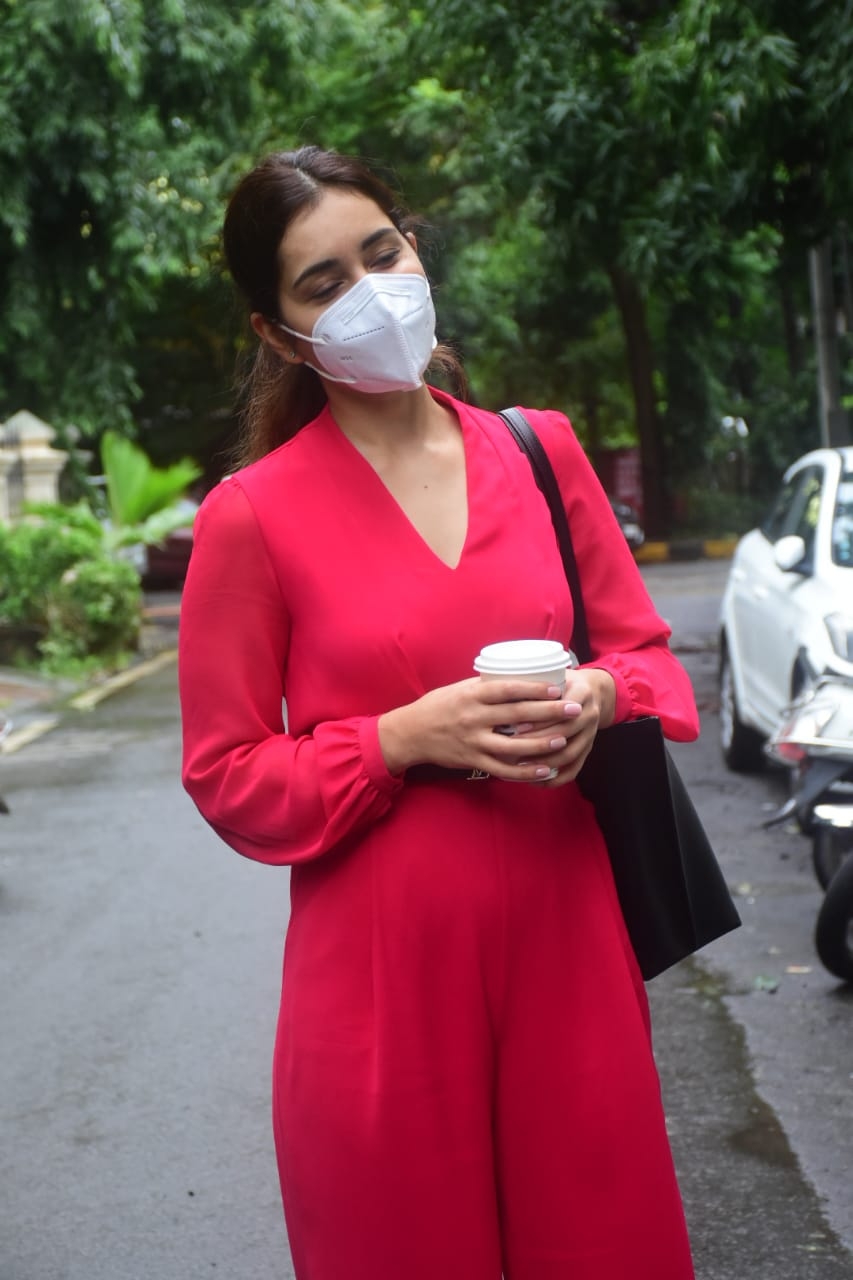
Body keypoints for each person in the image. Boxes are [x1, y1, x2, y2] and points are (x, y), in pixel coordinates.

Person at [179, 144, 700, 1280]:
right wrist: (398, 738)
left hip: (568, 939)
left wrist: (598, 693)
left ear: (415, 247)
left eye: (383, 252)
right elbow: (226, 774)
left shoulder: (536, 448)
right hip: (378, 981)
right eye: (324, 283)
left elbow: (649, 659)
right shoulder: (251, 518)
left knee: (604, 1246)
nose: (371, 291)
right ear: (277, 332)